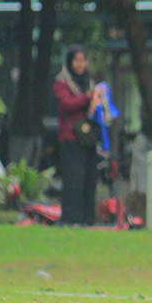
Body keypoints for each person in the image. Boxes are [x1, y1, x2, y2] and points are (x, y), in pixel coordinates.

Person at [53, 45, 99, 226]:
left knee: (89, 179)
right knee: (74, 179)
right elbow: (67, 105)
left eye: (83, 60)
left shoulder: (90, 83)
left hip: (89, 138)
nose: (80, 64)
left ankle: (87, 219)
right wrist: (88, 97)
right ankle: (71, 218)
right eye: (76, 60)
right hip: (71, 137)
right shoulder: (61, 83)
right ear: (69, 62)